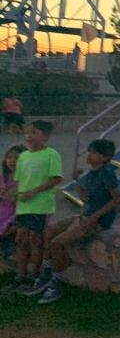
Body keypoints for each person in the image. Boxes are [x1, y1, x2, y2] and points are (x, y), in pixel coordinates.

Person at [24, 139, 120, 304]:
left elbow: (117, 199)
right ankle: (46, 274)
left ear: (105, 157)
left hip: (98, 220)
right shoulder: (91, 174)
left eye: (94, 152)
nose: (89, 155)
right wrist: (77, 181)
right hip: (85, 215)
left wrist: (93, 218)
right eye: (89, 151)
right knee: (48, 232)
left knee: (56, 243)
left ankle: (56, 283)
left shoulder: (107, 174)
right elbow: (86, 199)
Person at [5, 121, 63, 295]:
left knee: (35, 240)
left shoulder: (51, 154)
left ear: (45, 136)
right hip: (24, 206)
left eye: (34, 132)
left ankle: (34, 276)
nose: (29, 136)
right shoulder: (24, 156)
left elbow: (56, 178)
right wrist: (13, 194)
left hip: (40, 206)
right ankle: (21, 275)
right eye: (27, 133)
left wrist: (35, 191)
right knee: (21, 240)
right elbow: (21, 181)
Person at [0, 145, 26, 243]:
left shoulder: (25, 180)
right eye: (9, 158)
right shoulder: (3, 179)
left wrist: (12, 195)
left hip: (16, 210)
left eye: (16, 158)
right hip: (3, 208)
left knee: (12, 223)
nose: (12, 161)